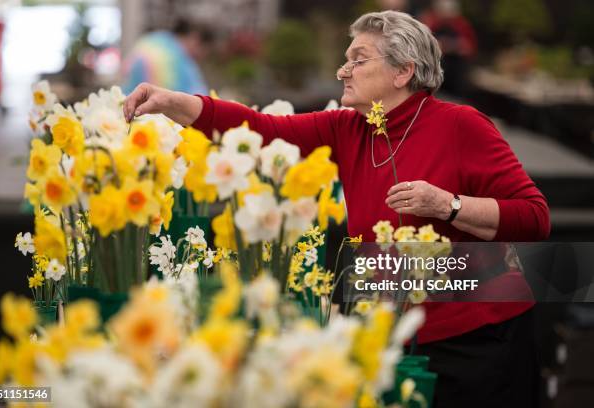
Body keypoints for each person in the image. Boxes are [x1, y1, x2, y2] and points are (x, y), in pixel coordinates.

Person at [123, 10, 549, 408]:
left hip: (482, 344)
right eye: (345, 59)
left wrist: (448, 205)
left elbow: (534, 217)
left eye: (358, 59)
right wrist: (171, 102)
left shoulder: (461, 125)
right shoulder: (349, 129)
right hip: (399, 341)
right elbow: (261, 129)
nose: (343, 70)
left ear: (404, 71)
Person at [122, 19, 213, 95]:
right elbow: (199, 98)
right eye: (203, 52)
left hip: (125, 104)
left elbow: (125, 68)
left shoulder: (151, 39)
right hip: (155, 112)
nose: (201, 57)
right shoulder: (181, 59)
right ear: (195, 40)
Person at [419, 0, 477, 95]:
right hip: (435, 70)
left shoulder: (461, 25)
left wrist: (449, 46)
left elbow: (468, 48)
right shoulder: (431, 21)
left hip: (455, 71)